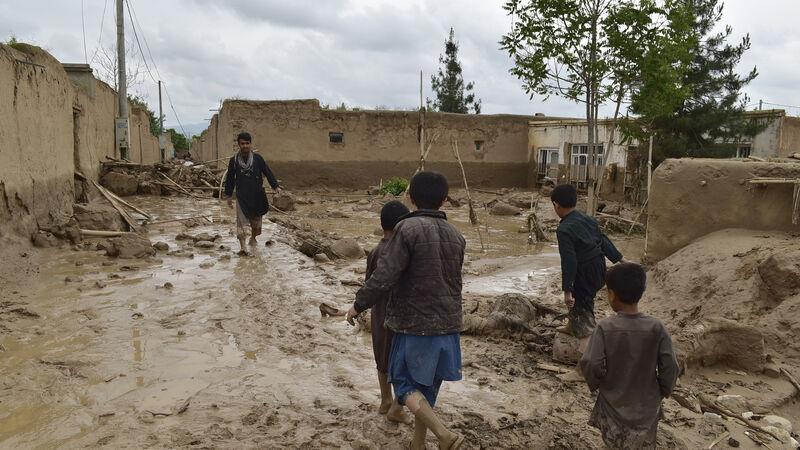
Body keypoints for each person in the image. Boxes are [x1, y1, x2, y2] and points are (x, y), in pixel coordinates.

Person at [346, 171, 466, 450]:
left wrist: (357, 304)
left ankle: (444, 435)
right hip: (449, 325)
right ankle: (417, 444)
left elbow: (385, 275)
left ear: (411, 198)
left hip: (414, 325)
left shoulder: (407, 230)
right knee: (426, 390)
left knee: (402, 384)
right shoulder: (456, 235)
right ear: (444, 200)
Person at [579, 262, 680, 449]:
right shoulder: (657, 327)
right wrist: (664, 390)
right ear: (641, 292)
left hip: (612, 404)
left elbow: (591, 363)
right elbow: (671, 366)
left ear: (611, 294)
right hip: (647, 407)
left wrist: (597, 384)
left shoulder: (605, 327)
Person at [359, 200, 412, 423]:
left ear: (382, 225)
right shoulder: (408, 252)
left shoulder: (375, 252)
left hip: (380, 314)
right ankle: (399, 405)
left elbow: (370, 283)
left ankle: (385, 400)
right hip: (403, 317)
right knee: (401, 362)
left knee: (382, 359)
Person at [551, 184, 623, 338]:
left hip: (584, 272)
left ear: (556, 205)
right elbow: (603, 240)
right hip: (599, 267)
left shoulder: (564, 230)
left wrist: (567, 290)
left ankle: (588, 334)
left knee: (582, 303)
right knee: (583, 299)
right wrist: (621, 259)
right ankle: (572, 325)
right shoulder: (588, 219)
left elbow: (569, 261)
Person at [223, 132, 282, 254]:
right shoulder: (234, 160)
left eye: (247, 143)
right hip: (242, 197)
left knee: (256, 224)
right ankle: (243, 247)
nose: (245, 146)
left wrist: (275, 186)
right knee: (241, 223)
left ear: (250, 144)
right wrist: (228, 195)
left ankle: (253, 237)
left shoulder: (258, 159)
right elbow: (230, 178)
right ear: (238, 145)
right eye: (242, 143)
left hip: (257, 196)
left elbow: (267, 172)